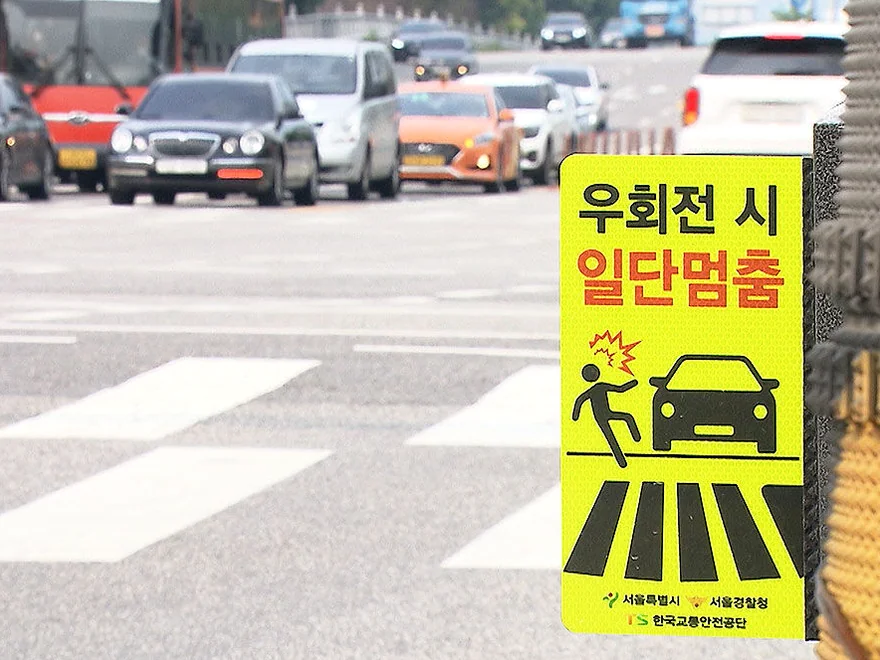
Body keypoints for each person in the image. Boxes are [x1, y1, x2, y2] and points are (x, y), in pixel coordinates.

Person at [572, 363, 641, 468]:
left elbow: (620, 389)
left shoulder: (600, 386)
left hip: (606, 414)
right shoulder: (597, 388)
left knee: (627, 417)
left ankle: (637, 438)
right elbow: (580, 400)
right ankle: (622, 462)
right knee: (611, 437)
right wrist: (575, 415)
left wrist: (633, 383)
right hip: (601, 417)